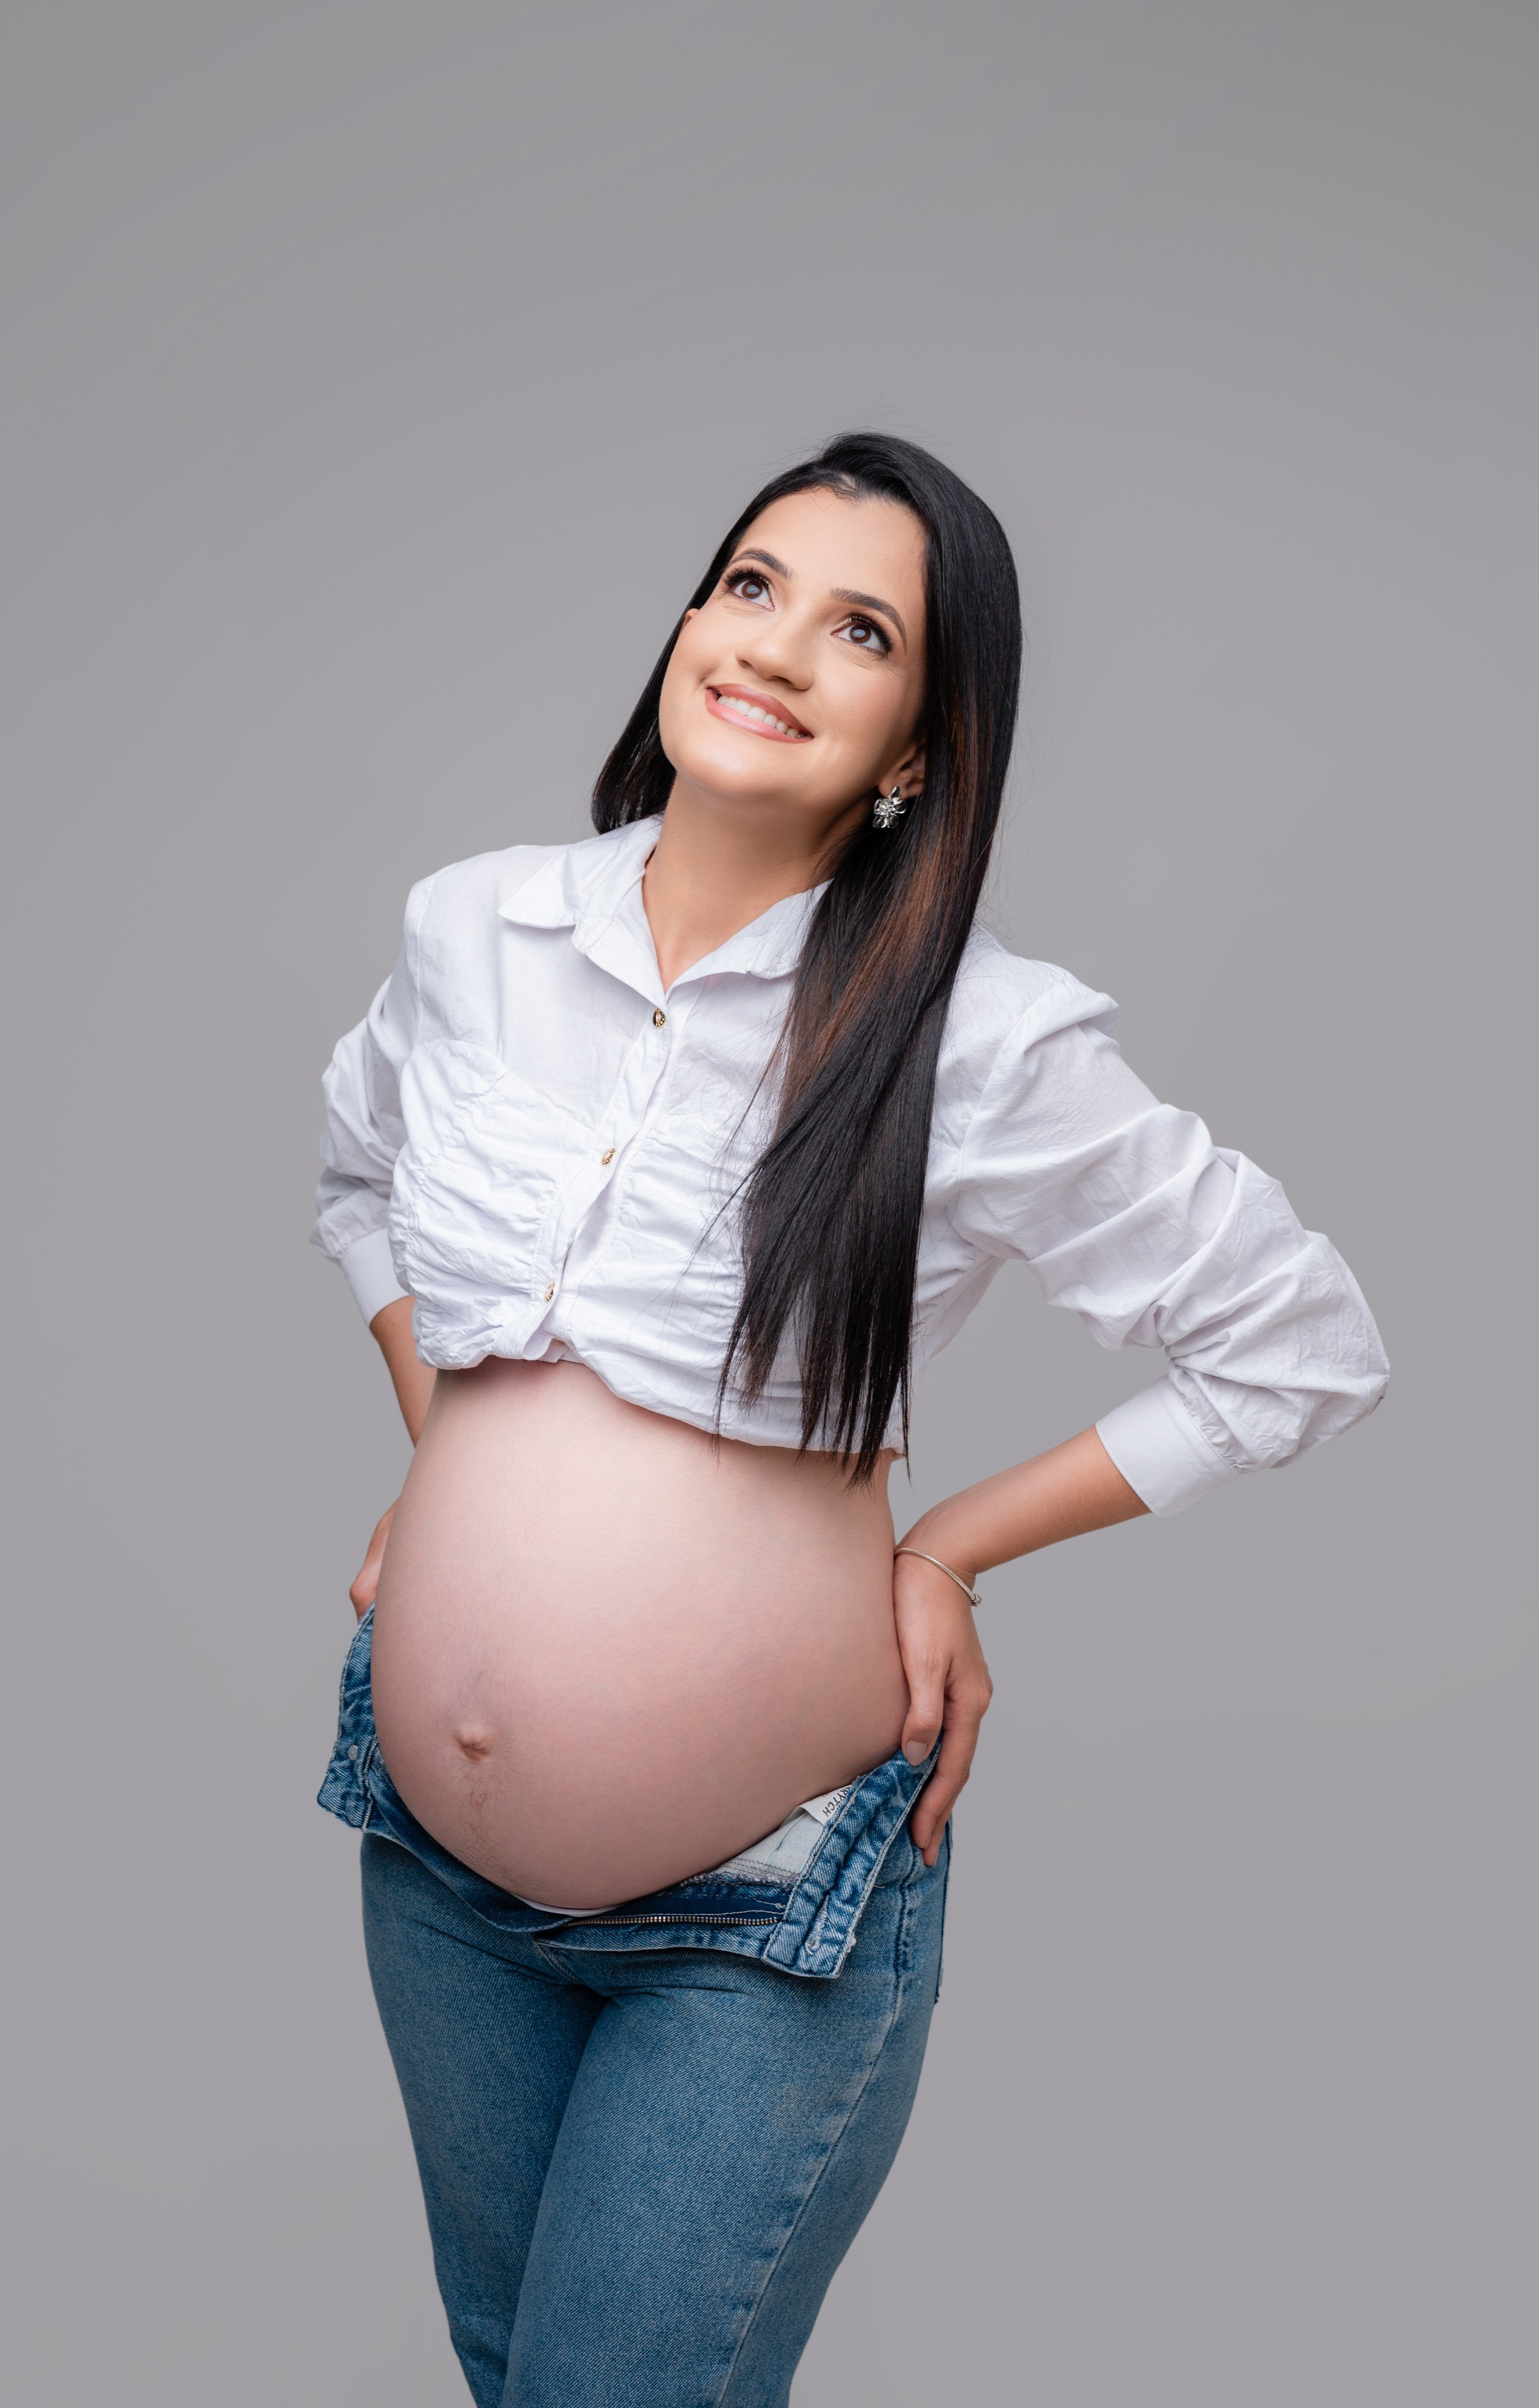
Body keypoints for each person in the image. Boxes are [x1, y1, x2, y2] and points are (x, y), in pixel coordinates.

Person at [312, 432, 1386, 2404]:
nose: (777, 646)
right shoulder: (475, 931)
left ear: (918, 747)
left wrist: (948, 1553)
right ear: (685, 625)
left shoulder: (982, 1037)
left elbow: (1294, 1342)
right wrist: (444, 1461)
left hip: (762, 1903)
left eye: (863, 630)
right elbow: (359, 1183)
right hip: (431, 1868)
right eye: (752, 585)